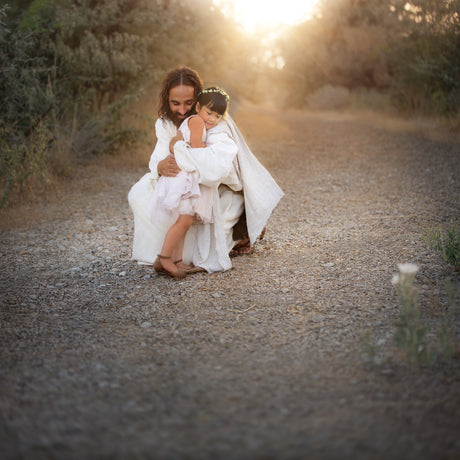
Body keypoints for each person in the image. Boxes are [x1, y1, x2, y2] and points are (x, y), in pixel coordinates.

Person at [128, 66, 283, 273]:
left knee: (196, 216)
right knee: (139, 193)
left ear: (198, 102)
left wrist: (179, 150)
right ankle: (163, 255)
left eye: (188, 103)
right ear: (167, 101)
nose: (182, 110)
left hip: (218, 188)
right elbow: (157, 156)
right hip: (180, 182)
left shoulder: (213, 121)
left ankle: (240, 232)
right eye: (175, 103)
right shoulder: (165, 122)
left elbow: (215, 167)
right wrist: (160, 165)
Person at [149, 87, 233, 278]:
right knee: (184, 221)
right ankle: (164, 257)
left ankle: (177, 260)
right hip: (182, 179)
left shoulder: (197, 122)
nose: (211, 119)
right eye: (209, 112)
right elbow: (197, 149)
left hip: (185, 178)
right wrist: (211, 152)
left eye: (217, 116)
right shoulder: (196, 121)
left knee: (184, 221)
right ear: (197, 107)